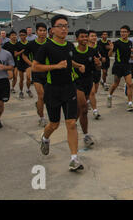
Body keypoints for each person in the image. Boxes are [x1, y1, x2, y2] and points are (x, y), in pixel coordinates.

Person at [33, 14, 85, 171]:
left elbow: (69, 62)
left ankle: (74, 159)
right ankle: (45, 137)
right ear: (53, 30)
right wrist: (55, 67)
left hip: (69, 88)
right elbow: (35, 67)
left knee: (71, 123)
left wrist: (78, 65)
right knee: (54, 124)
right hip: (52, 89)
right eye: (60, 26)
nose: (64, 29)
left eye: (66, 26)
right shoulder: (46, 47)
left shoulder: (70, 46)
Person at [72, 29, 101, 148]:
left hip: (88, 81)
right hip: (76, 82)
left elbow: (97, 68)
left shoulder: (93, 51)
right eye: (82, 37)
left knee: (81, 110)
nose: (84, 39)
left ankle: (73, 123)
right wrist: (78, 66)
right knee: (84, 107)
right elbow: (69, 62)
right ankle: (86, 135)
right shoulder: (73, 52)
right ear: (77, 39)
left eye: (85, 37)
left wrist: (98, 64)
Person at [21, 23, 48, 127]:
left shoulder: (50, 43)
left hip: (48, 73)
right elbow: (24, 55)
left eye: (44, 30)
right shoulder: (31, 44)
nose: (42, 32)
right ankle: (42, 118)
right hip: (37, 73)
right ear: (36, 32)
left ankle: (38, 105)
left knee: (47, 97)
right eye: (40, 30)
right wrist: (31, 64)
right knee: (41, 96)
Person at [107, 25, 133, 112]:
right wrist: (111, 49)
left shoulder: (129, 43)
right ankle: (109, 95)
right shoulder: (117, 43)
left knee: (129, 84)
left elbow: (127, 52)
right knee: (116, 84)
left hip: (127, 66)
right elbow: (110, 55)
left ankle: (130, 104)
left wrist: (131, 56)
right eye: (121, 32)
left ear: (128, 33)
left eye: (124, 32)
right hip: (118, 66)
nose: (123, 33)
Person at [88, 30, 103, 119]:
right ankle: (95, 111)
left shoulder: (98, 47)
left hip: (97, 71)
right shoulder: (85, 48)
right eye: (92, 36)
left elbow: (102, 58)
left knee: (95, 91)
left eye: (95, 36)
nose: (94, 37)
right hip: (88, 73)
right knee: (92, 92)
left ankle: (88, 101)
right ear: (88, 37)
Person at [15, 29, 32, 99]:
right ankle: (21, 91)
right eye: (20, 35)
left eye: (23, 35)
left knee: (28, 77)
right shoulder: (17, 44)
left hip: (28, 62)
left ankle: (28, 89)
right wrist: (22, 51)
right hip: (20, 63)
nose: (22, 36)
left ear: (26, 35)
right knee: (21, 79)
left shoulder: (30, 43)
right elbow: (15, 54)